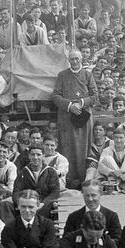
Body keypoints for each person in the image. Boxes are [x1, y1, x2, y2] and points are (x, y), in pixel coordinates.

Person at [52, 49, 98, 189]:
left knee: (84, 147)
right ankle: (69, 180)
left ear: (81, 59)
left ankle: (84, 180)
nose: (75, 61)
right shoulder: (62, 75)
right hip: (67, 117)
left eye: (77, 58)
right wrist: (70, 106)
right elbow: (56, 96)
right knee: (68, 146)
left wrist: (81, 104)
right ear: (69, 60)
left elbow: (94, 96)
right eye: (72, 59)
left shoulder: (88, 75)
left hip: (83, 116)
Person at [62, 180, 123, 246]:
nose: (90, 199)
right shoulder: (73, 217)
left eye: (93, 195)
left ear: (101, 194)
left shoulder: (111, 216)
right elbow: (66, 242)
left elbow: (117, 240)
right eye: (87, 195)